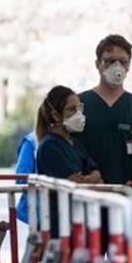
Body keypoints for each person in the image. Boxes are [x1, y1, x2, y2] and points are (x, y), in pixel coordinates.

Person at [76, 34, 132, 190]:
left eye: (123, 62)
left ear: (129, 66)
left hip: (125, 201)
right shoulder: (77, 104)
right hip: (85, 199)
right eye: (110, 61)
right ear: (98, 64)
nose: (117, 67)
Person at [35, 86, 101, 239]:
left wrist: (88, 179)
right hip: (59, 227)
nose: (78, 114)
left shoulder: (75, 143)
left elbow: (97, 174)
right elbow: (71, 183)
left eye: (79, 108)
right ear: (56, 115)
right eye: (71, 109)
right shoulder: (50, 146)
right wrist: (89, 179)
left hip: (77, 223)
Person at [14, 130, 37, 224]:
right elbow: (22, 177)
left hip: (37, 210)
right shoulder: (32, 142)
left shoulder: (31, 141)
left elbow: (21, 177)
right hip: (39, 209)